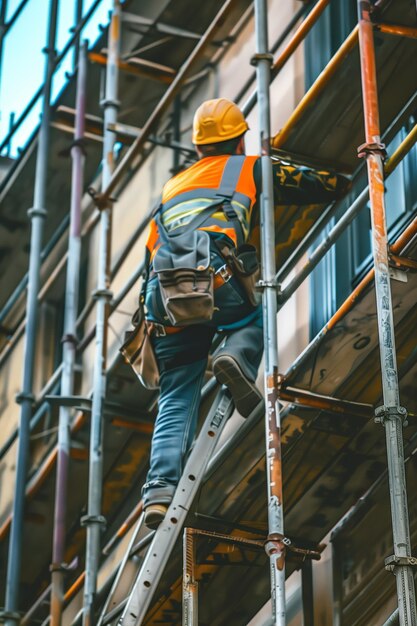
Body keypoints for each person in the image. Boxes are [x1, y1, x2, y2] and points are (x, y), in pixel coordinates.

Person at [141, 98, 349, 528]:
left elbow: (150, 254)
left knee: (176, 394)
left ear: (198, 148)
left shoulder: (171, 189)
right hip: (217, 281)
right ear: (239, 140)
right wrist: (346, 175)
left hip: (163, 299)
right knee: (254, 316)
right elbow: (311, 183)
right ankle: (236, 354)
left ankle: (159, 491)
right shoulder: (248, 167)